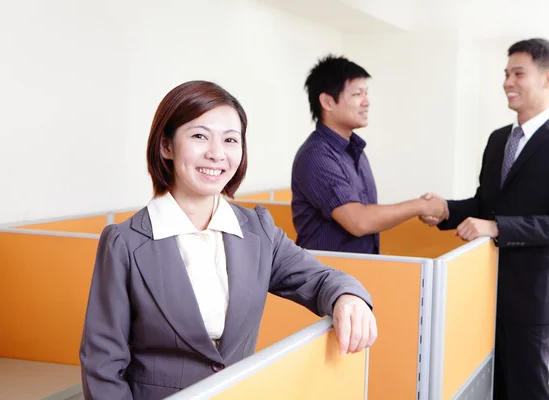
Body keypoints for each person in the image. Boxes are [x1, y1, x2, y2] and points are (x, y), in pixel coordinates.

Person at [79, 80, 378, 400]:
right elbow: (102, 365)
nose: (216, 153)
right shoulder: (125, 243)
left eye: (230, 140)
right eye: (199, 136)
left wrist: (348, 296)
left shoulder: (259, 230)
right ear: (166, 146)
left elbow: (319, 280)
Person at [420, 38, 549, 400]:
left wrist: (499, 227)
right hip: (480, 288)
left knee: (528, 388)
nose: (507, 82)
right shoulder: (499, 140)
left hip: (528, 297)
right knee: (491, 388)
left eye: (518, 73)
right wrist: (446, 210)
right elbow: (484, 204)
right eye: (505, 74)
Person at [291, 54, 447, 254]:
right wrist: (420, 206)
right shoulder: (316, 156)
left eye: (366, 93)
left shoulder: (354, 151)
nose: (366, 102)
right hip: (326, 279)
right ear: (328, 102)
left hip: (358, 274)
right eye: (357, 94)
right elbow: (359, 221)